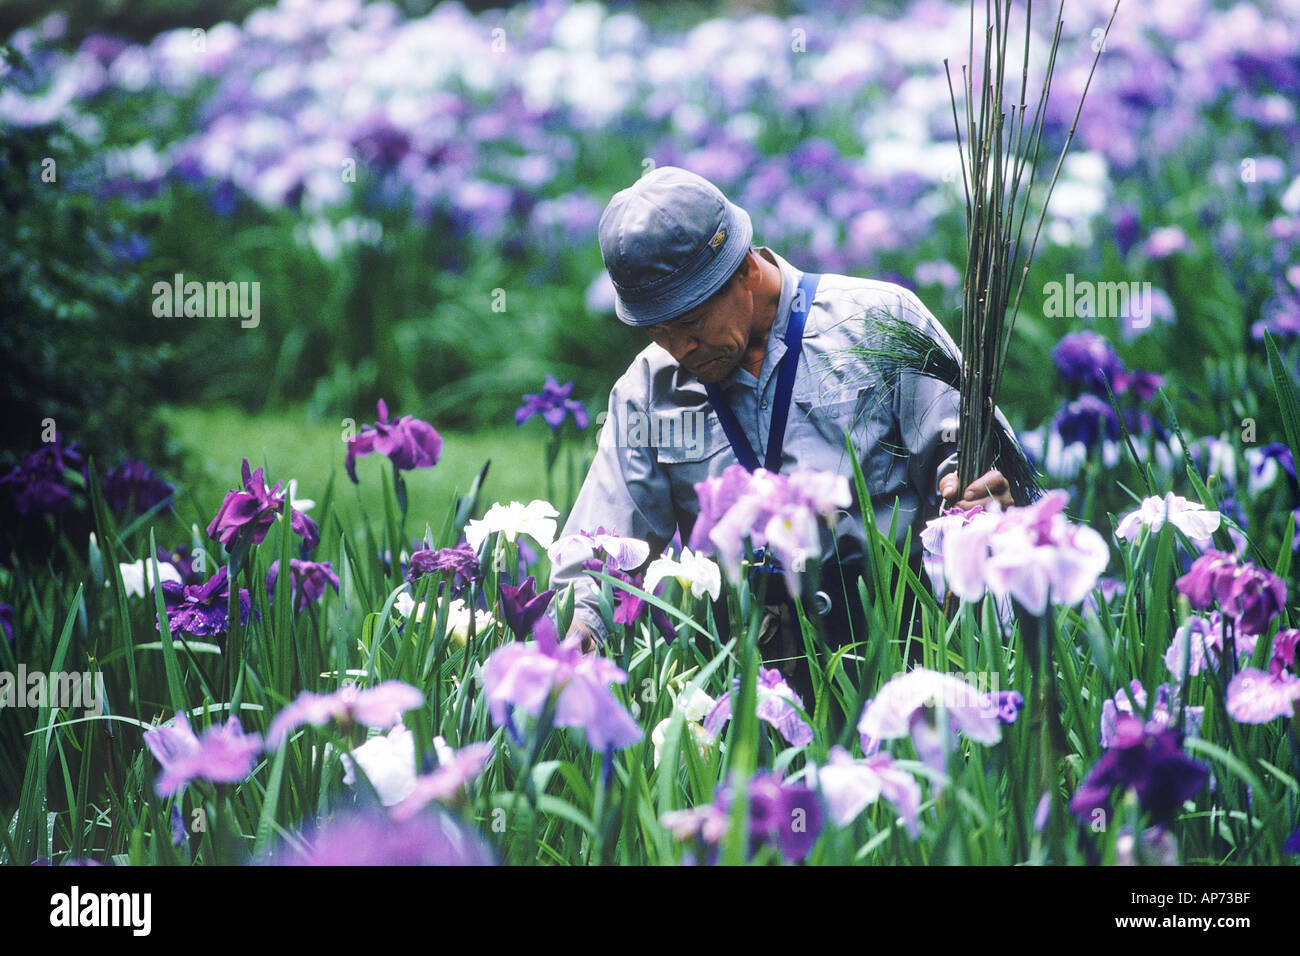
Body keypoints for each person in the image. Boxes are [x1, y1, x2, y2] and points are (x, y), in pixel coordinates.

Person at [549, 165, 1015, 667]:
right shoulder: (648, 391)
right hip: (745, 680)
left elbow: (983, 468)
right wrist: (580, 629)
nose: (679, 347)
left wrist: (978, 489)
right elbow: (599, 551)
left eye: (690, 321)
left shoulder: (881, 323)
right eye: (656, 330)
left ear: (746, 269)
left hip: (905, 655)